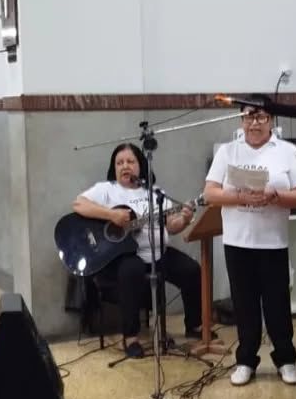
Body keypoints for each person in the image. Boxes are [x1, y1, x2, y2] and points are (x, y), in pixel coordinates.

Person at [204, 104, 296, 386]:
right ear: (241, 119)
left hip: (273, 242)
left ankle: (286, 359)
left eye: (261, 117)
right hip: (237, 241)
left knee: (277, 304)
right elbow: (210, 193)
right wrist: (240, 197)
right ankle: (246, 361)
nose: (254, 123)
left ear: (271, 120)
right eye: (249, 117)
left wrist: (275, 196)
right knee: (244, 304)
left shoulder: (286, 150)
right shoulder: (228, 151)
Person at [71, 143, 201, 358]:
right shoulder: (107, 189)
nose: (125, 166)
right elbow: (78, 204)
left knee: (192, 270)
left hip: (159, 253)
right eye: (119, 163)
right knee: (131, 271)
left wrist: (185, 219)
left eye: (130, 162)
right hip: (128, 255)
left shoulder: (155, 193)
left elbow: (171, 226)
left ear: (141, 165)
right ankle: (130, 337)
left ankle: (194, 325)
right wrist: (111, 215)